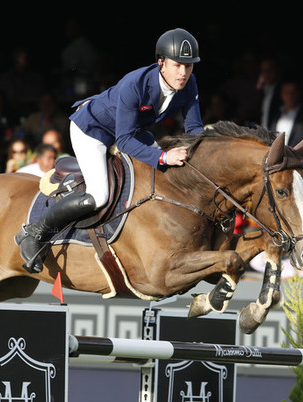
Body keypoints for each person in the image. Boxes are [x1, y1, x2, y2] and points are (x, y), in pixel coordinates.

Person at [16, 28, 204, 273]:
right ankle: (34, 233)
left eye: (188, 66)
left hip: (129, 130)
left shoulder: (190, 84)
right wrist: (164, 156)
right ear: (161, 63)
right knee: (99, 195)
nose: (183, 73)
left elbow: (194, 129)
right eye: (177, 65)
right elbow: (124, 142)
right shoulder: (134, 84)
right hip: (92, 129)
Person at [269, 78, 303, 146]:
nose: (290, 96)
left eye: (293, 92)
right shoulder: (276, 114)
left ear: (298, 94)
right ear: (281, 94)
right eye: (287, 92)